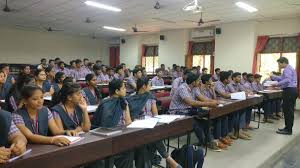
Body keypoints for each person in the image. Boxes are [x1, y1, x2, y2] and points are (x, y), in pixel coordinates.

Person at [127, 77, 182, 168]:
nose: (151, 87)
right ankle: (168, 158)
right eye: (149, 85)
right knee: (153, 135)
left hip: (149, 124)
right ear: (144, 86)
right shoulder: (131, 98)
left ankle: (167, 159)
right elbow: (130, 116)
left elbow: (155, 115)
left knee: (153, 134)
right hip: (136, 126)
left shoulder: (150, 97)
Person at [92, 79, 134, 168]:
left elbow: (128, 122)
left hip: (121, 135)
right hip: (107, 137)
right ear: (117, 91)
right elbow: (104, 124)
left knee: (130, 151)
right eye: (123, 88)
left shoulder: (124, 101)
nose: (125, 89)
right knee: (109, 154)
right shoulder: (105, 103)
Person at [169, 73, 217, 145]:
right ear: (193, 82)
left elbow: (203, 98)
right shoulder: (183, 88)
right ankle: (204, 142)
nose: (200, 82)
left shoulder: (195, 88)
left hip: (188, 111)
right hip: (177, 112)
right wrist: (209, 103)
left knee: (206, 120)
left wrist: (216, 102)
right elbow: (191, 102)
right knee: (195, 122)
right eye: (199, 81)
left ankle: (210, 141)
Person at [196, 74, 232, 150]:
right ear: (206, 82)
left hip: (211, 105)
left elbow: (214, 98)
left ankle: (222, 136)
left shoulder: (209, 88)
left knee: (224, 116)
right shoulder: (200, 88)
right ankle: (216, 139)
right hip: (204, 107)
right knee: (217, 117)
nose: (212, 81)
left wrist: (212, 90)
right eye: (211, 80)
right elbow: (202, 99)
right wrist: (214, 102)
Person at [271, 57, 297, 135]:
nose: (278, 65)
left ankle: (288, 130)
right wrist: (274, 77)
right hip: (290, 90)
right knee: (286, 110)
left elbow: (287, 80)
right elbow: (283, 78)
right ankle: (287, 127)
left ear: (283, 63)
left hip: (289, 91)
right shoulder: (289, 68)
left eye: (279, 64)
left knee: (288, 111)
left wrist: (276, 84)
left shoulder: (287, 69)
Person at [227, 72, 252, 140]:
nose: (240, 78)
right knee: (237, 112)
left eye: (240, 77)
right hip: (231, 103)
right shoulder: (230, 85)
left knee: (243, 110)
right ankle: (236, 131)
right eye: (238, 77)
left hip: (238, 102)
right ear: (234, 78)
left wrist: (245, 92)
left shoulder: (239, 84)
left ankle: (240, 130)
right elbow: (234, 93)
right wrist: (243, 93)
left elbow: (245, 91)